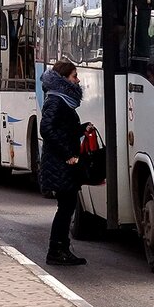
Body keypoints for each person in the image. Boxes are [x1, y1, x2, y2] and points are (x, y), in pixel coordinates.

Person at [39, 60, 91, 266]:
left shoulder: (62, 100)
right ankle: (56, 250)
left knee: (67, 206)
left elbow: (62, 129)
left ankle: (61, 249)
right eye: (74, 76)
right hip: (59, 164)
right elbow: (46, 129)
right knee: (66, 207)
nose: (77, 81)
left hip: (61, 163)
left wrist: (82, 129)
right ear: (64, 79)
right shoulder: (56, 100)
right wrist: (67, 154)